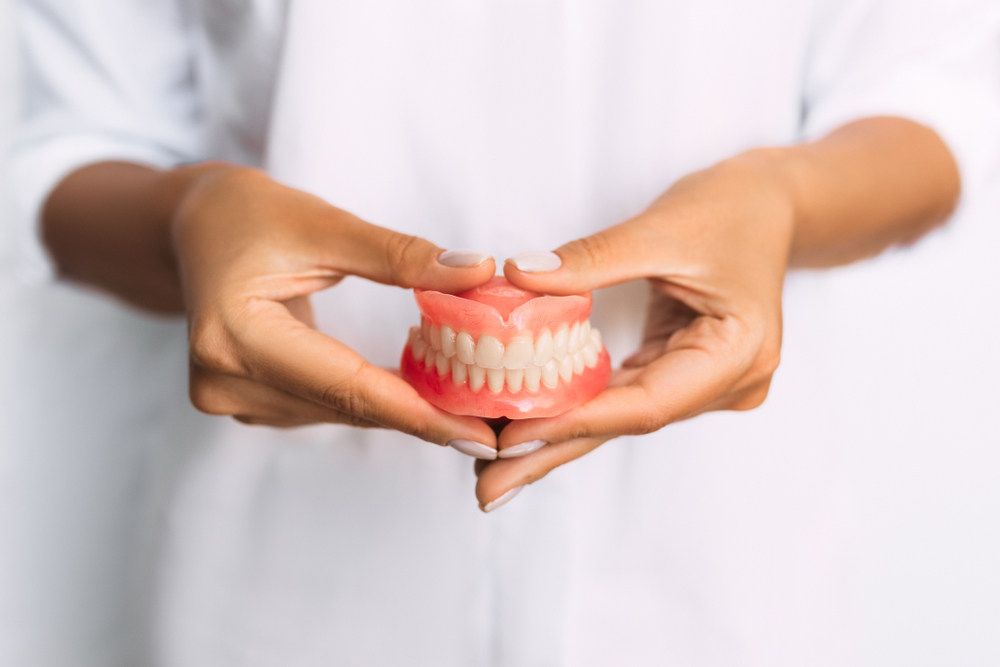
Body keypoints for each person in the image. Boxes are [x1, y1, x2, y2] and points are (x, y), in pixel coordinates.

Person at [9, 0, 1000, 665]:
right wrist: (191, 225)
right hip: (276, 585)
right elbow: (78, 149)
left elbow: (922, 106)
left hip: (718, 572)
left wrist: (782, 200)